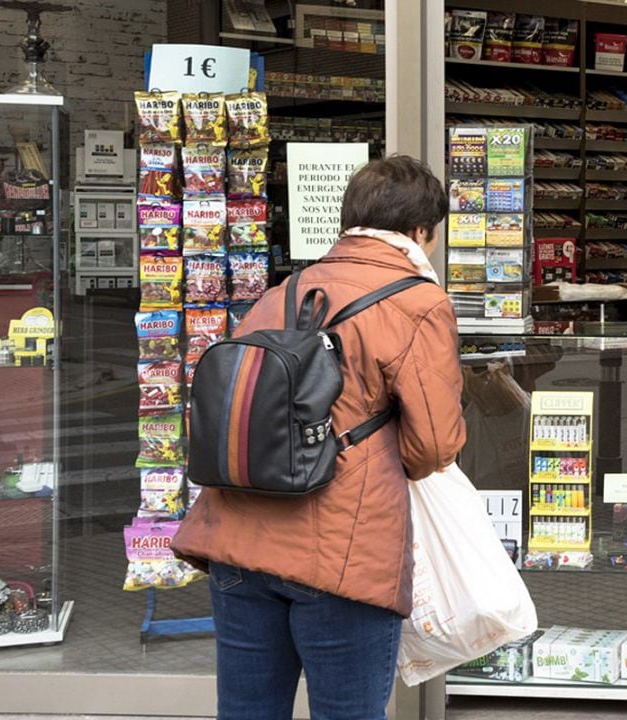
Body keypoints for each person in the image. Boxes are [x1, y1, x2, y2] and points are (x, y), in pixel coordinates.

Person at [172, 155, 466, 720]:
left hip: (237, 535)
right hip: (342, 549)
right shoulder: (418, 302)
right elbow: (433, 445)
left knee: (247, 711)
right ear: (422, 232)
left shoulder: (283, 292)